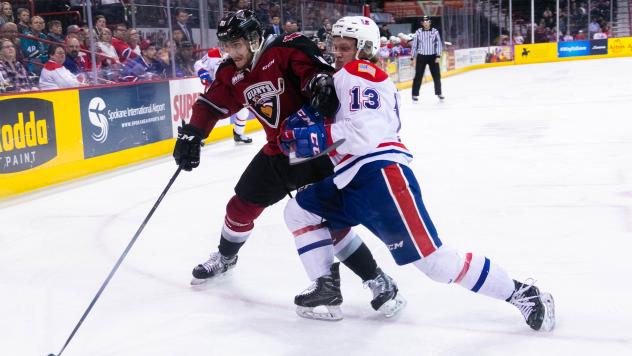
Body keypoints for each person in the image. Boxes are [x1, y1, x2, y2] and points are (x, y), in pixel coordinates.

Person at [281, 16, 556, 331]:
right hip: (350, 177)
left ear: (365, 48)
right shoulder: (346, 76)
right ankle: (327, 290)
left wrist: (317, 136)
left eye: (345, 47)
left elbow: (365, 134)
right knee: (300, 211)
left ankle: (524, 294)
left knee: (435, 263)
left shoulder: (360, 72)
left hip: (378, 176)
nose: (338, 53)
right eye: (335, 46)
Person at [172, 9, 403, 317]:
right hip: (276, 152)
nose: (231, 52)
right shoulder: (231, 72)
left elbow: (314, 74)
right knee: (239, 207)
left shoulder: (287, 47)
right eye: (226, 45)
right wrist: (192, 134)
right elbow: (211, 104)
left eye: (236, 44)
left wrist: (318, 84)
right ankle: (226, 258)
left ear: (254, 39)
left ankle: (377, 280)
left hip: (313, 149)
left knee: (327, 222)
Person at [194, 47, 253, 144]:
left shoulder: (237, 54)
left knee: (243, 111)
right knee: (211, 114)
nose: (226, 46)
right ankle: (200, 137)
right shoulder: (213, 53)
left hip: (233, 90)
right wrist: (202, 72)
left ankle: (238, 134)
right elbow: (198, 64)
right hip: (216, 91)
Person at [410, 16, 444, 102]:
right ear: (422, 23)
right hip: (421, 56)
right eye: (424, 21)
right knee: (418, 76)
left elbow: (439, 44)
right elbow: (414, 45)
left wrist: (438, 56)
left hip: (433, 56)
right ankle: (414, 94)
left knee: (436, 76)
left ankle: (439, 93)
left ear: (430, 22)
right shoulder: (418, 32)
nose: (425, 23)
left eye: (427, 21)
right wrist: (412, 57)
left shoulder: (435, 31)